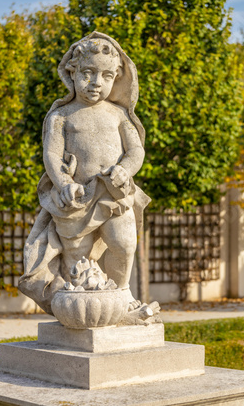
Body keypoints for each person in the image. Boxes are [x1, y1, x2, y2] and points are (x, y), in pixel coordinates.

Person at [18, 32, 150, 315]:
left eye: (106, 76)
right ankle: (77, 304)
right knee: (76, 256)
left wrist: (125, 170)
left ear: (116, 77)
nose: (96, 83)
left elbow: (136, 152)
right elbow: (51, 154)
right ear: (72, 71)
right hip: (74, 199)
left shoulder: (119, 114)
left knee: (124, 243)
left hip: (113, 193)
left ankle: (122, 296)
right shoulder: (60, 116)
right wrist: (64, 182)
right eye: (88, 73)